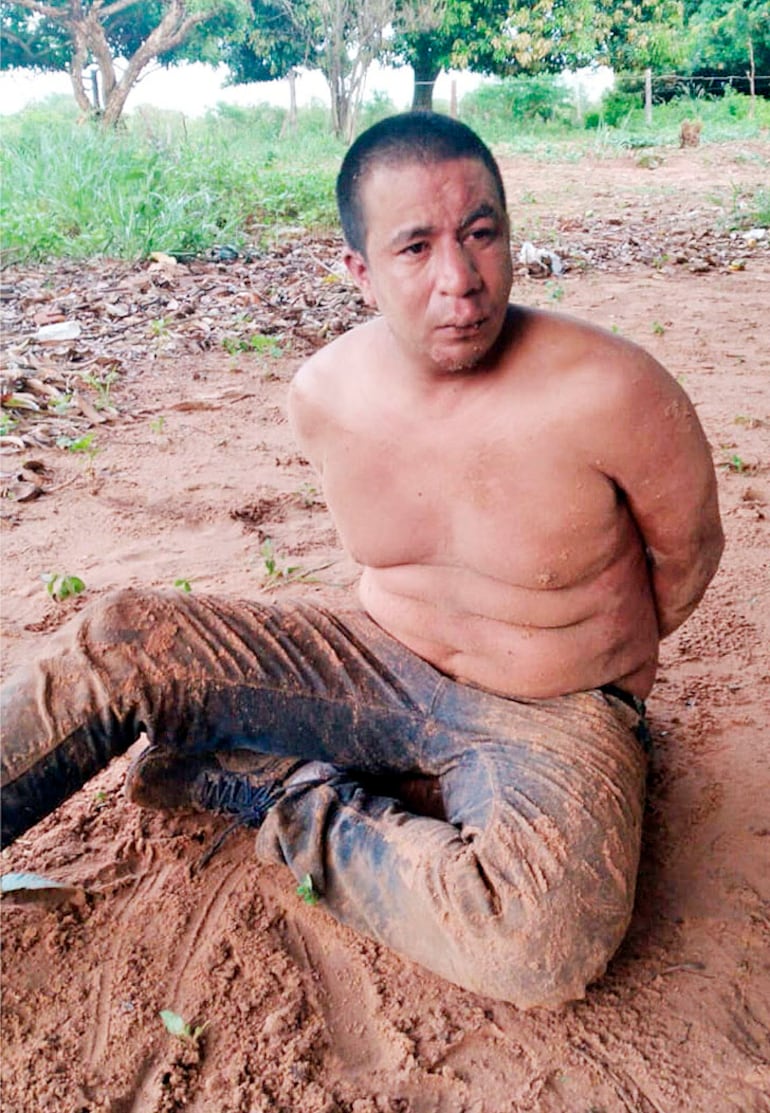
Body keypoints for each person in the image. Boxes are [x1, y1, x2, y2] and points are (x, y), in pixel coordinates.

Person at [0, 112, 723, 1008]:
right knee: (118, 641)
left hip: (553, 713)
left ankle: (276, 794)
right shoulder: (325, 394)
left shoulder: (614, 388)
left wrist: (591, 674)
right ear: (360, 270)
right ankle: (368, 773)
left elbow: (688, 557)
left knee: (541, 931)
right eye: (415, 247)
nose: (459, 280)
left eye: (481, 234)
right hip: (374, 667)